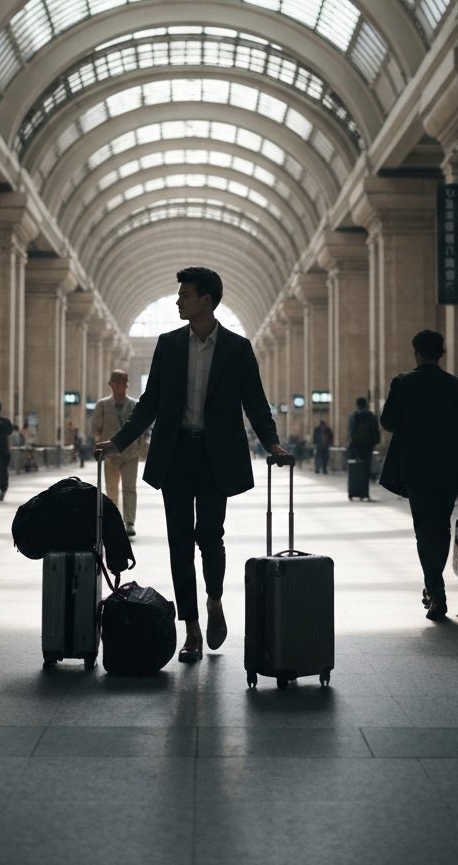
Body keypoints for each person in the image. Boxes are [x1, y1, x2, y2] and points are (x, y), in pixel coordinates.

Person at [96, 267, 287, 663]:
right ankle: (193, 628)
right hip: (177, 453)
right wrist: (118, 442)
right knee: (179, 541)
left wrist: (273, 443)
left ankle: (214, 599)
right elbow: (149, 403)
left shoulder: (237, 348)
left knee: (210, 537)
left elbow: (254, 401)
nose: (178, 300)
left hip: (217, 455)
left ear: (206, 300)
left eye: (185, 295)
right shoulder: (168, 345)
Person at [379, 329, 458, 621]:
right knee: (442, 528)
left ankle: (436, 593)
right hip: (448, 469)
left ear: (416, 354)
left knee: (424, 529)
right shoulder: (457, 387)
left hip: (415, 468)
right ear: (441, 354)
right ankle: (434, 589)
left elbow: (388, 422)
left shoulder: (403, 383)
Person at [93, 370, 141, 537]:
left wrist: (140, 448)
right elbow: (96, 428)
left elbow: (139, 429)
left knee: (129, 488)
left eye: (123, 383)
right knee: (112, 489)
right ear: (111, 384)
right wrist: (100, 446)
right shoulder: (103, 405)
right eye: (117, 383)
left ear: (127, 385)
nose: (120, 387)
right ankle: (114, 521)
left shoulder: (134, 405)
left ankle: (129, 522)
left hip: (130, 454)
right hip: (111, 455)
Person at [348, 398, 381, 466]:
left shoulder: (353, 416)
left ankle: (359, 474)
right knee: (367, 460)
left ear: (357, 405)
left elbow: (351, 430)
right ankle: (366, 473)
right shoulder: (372, 416)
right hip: (369, 443)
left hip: (357, 443)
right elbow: (375, 430)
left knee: (358, 461)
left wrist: (352, 440)